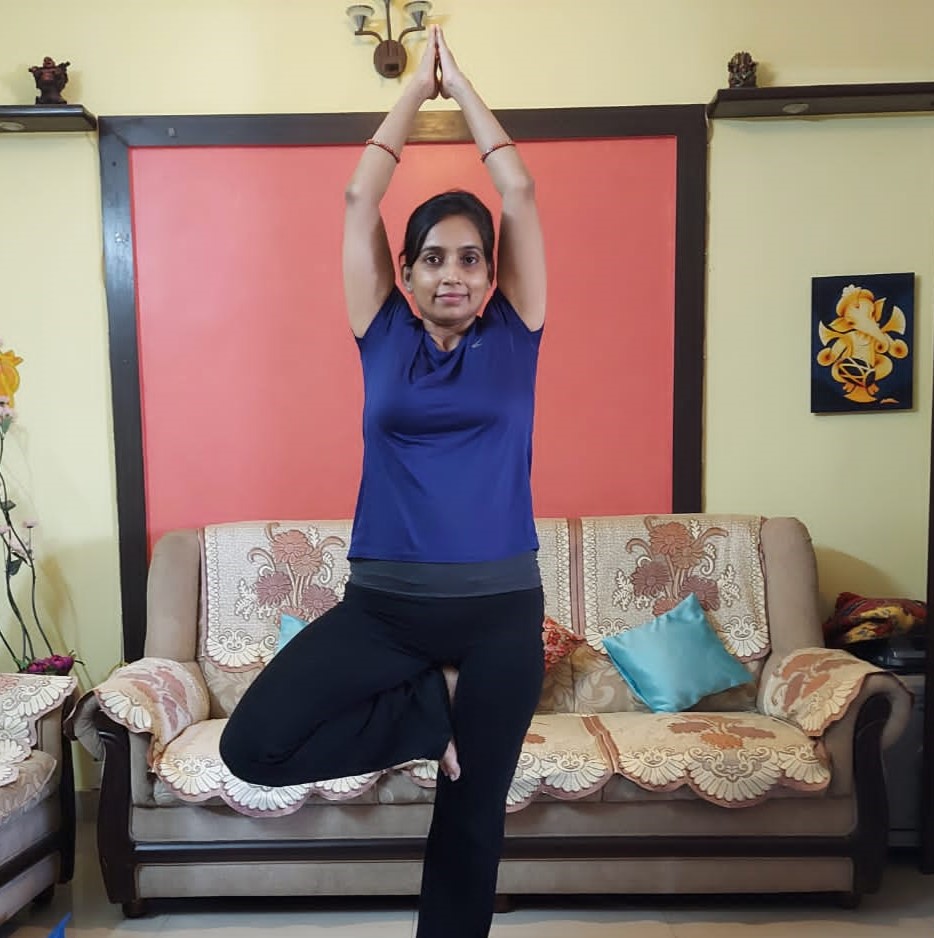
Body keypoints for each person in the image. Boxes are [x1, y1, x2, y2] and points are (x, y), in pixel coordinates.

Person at [219, 25, 547, 938]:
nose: (454, 273)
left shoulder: (516, 334)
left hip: (500, 617)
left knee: (472, 823)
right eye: (433, 257)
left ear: (491, 274)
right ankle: (422, 716)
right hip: (386, 610)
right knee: (253, 744)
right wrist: (417, 87)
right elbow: (361, 193)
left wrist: (464, 87)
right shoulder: (383, 333)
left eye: (471, 258)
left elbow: (518, 191)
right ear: (405, 271)